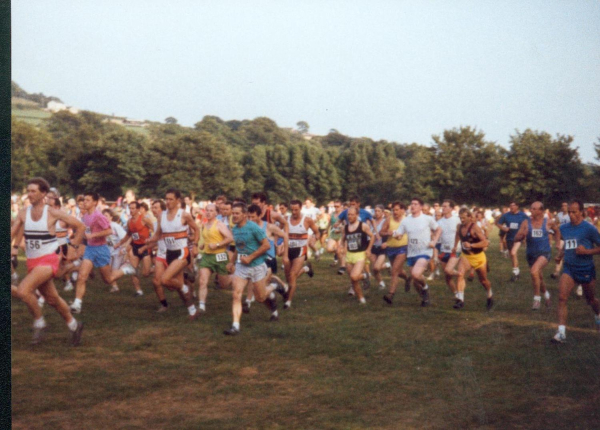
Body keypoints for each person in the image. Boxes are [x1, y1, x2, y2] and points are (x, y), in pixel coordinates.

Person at [11, 177, 85, 346]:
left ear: (43, 193)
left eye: (33, 191)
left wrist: (73, 246)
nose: (29, 194)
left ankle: (40, 322)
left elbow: (80, 226)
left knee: (23, 291)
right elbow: (13, 232)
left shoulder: (52, 213)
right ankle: (74, 325)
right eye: (28, 191)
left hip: (49, 260)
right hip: (32, 261)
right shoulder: (23, 213)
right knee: (53, 299)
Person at [223, 203, 288, 335]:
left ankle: (274, 285)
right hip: (242, 267)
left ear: (244, 215)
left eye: (237, 213)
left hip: (257, 265)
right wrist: (232, 262)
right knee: (236, 294)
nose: (234, 216)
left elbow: (266, 246)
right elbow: (239, 247)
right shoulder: (235, 229)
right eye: (233, 213)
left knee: (260, 297)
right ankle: (235, 326)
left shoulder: (253, 228)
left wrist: (250, 257)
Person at [70, 192, 137, 314]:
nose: (85, 202)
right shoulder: (85, 216)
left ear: (95, 202)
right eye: (84, 200)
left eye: (88, 200)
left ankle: (125, 269)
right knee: (82, 276)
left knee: (108, 279)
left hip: (101, 249)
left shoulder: (98, 216)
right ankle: (77, 303)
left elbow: (109, 230)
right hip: (90, 249)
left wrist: (94, 235)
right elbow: (85, 232)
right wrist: (76, 244)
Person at [143, 189, 200, 320]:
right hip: (169, 253)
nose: (167, 202)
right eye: (166, 199)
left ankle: (185, 286)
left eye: (171, 199)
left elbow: (196, 229)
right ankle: (192, 310)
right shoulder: (161, 215)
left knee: (164, 279)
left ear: (178, 201)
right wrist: (150, 240)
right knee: (178, 287)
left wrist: (195, 245)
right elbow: (158, 234)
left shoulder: (184, 215)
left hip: (182, 253)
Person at [551, 200, 600, 343]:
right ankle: (561, 333)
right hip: (569, 268)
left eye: (574, 212)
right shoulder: (564, 228)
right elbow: (567, 243)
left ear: (581, 213)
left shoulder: (589, 228)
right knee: (562, 297)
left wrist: (587, 251)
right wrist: (560, 255)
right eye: (569, 212)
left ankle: (598, 314)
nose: (571, 214)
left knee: (590, 300)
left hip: (586, 269)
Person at [390, 198, 441, 307]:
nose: (412, 206)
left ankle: (426, 287)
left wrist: (434, 241)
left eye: (415, 204)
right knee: (415, 281)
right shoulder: (406, 220)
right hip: (412, 253)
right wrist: (397, 235)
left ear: (421, 207)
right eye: (411, 204)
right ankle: (425, 298)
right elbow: (399, 234)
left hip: (424, 251)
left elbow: (439, 229)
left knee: (415, 274)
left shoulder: (427, 219)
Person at [514, 202, 557, 310]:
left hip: (544, 253)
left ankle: (537, 299)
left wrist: (557, 244)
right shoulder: (526, 222)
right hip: (531, 254)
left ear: (541, 211)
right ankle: (547, 295)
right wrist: (523, 234)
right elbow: (516, 238)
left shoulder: (548, 222)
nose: (531, 210)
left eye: (534, 209)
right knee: (539, 277)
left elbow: (557, 231)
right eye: (531, 208)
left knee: (534, 271)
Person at [453, 208, 494, 310]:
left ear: (470, 217)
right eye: (460, 218)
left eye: (464, 218)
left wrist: (471, 245)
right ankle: (460, 300)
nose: (462, 220)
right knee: (460, 274)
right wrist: (455, 246)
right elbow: (457, 236)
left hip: (478, 257)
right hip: (466, 256)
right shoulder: (459, 226)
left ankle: (489, 294)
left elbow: (485, 242)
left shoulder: (475, 228)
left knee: (483, 280)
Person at [197, 203, 234, 312]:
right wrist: (204, 244)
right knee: (202, 280)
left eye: (211, 211)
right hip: (207, 256)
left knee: (224, 285)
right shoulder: (204, 224)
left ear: (216, 213)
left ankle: (234, 276)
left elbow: (230, 238)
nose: (208, 213)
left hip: (220, 256)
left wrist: (217, 245)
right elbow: (208, 237)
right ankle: (201, 306)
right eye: (207, 210)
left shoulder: (219, 224)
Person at [283, 200, 319, 309]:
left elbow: (317, 232)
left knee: (292, 275)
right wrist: (277, 242)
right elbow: (278, 231)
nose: (294, 212)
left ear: (300, 208)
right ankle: (306, 269)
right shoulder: (285, 219)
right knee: (288, 278)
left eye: (296, 210)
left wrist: (314, 238)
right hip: (287, 250)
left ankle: (288, 301)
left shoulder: (307, 220)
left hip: (300, 250)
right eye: (292, 210)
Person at [339, 207, 375, 304]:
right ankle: (361, 299)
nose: (350, 216)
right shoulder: (345, 228)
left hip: (360, 254)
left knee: (354, 276)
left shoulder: (362, 226)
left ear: (357, 215)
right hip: (350, 254)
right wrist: (341, 246)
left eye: (352, 214)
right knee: (353, 279)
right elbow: (343, 239)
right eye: (348, 215)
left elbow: (372, 237)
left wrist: (368, 249)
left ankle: (365, 275)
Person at [380, 202, 411, 304]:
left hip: (403, 248)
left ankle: (390, 294)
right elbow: (381, 232)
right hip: (391, 248)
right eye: (393, 210)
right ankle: (407, 278)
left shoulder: (408, 220)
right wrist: (388, 233)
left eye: (397, 210)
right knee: (399, 271)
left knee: (394, 271)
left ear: (402, 210)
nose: (395, 212)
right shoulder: (389, 219)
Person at [496, 202, 529, 282]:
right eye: (510, 206)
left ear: (517, 206)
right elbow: (498, 223)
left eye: (513, 206)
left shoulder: (523, 215)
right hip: (509, 238)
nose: (511, 207)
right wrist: (504, 228)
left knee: (513, 253)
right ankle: (517, 272)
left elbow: (529, 223)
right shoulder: (506, 215)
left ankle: (514, 272)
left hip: (518, 238)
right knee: (513, 255)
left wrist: (524, 232)